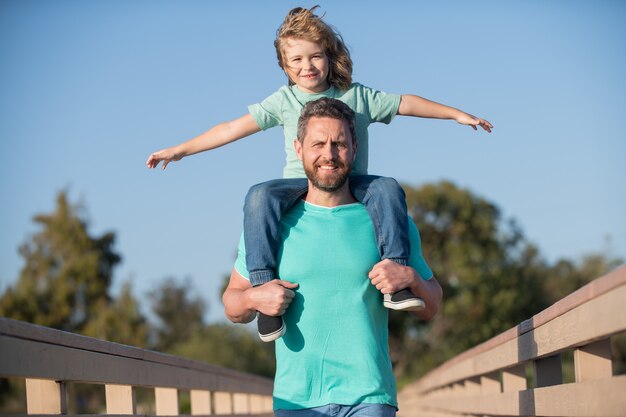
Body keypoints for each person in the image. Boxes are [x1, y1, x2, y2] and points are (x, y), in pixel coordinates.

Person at [146, 6, 490, 341]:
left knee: (387, 188)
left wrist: (457, 115)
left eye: (315, 56)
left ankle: (396, 279)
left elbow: (407, 103)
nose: (307, 66)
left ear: (329, 55)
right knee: (259, 195)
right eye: (296, 60)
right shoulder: (283, 101)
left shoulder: (356, 96)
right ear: (284, 65)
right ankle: (265, 288)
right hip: (300, 185)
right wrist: (179, 150)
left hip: (351, 181)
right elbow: (230, 128)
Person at [223, 97, 443, 416]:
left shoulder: (391, 223)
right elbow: (232, 304)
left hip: (370, 396)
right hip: (296, 400)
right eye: (318, 144)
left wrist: (411, 279)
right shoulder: (268, 227)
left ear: (354, 147)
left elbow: (433, 304)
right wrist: (253, 299)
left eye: (339, 143)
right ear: (299, 149)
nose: (329, 154)